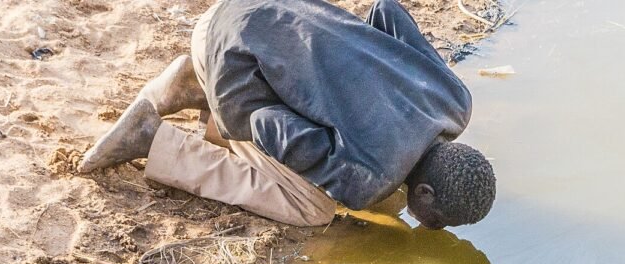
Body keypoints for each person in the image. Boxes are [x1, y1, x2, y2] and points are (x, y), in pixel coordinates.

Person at [78, 0, 496, 229]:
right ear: (423, 194)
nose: (430, 228)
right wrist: (227, 117)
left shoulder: (455, 100)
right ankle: (154, 136)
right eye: (437, 222)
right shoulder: (367, 180)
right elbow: (268, 124)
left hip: (266, 8)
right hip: (224, 44)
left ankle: (198, 79)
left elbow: (386, 12)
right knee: (311, 209)